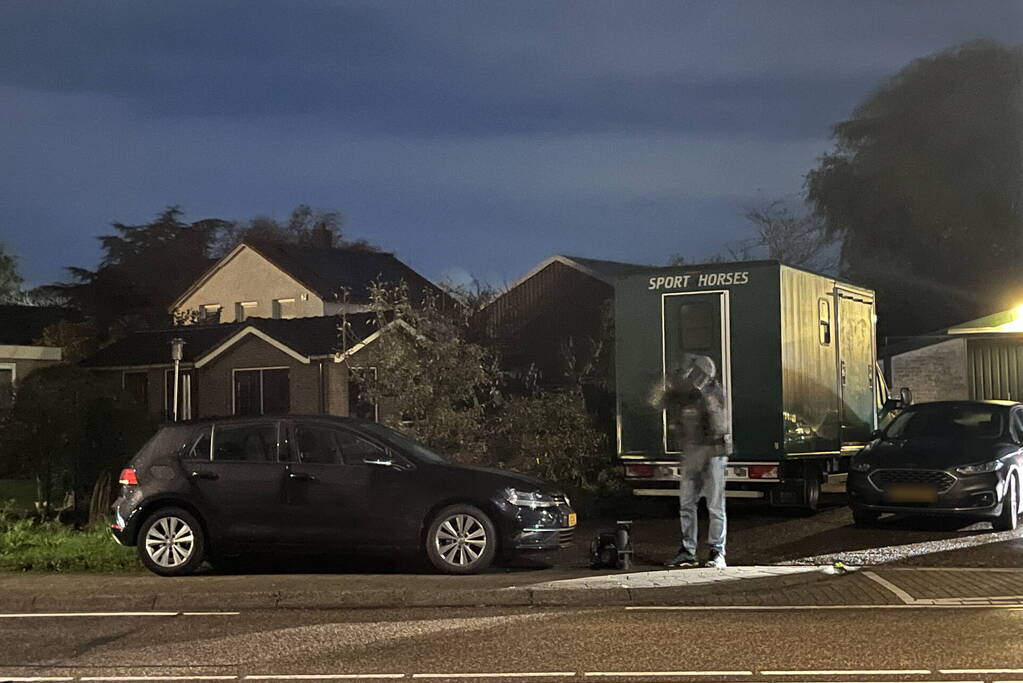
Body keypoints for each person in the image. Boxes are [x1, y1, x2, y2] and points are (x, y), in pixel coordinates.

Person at [651, 353, 731, 569]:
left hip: (713, 452)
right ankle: (688, 551)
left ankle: (717, 552)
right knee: (686, 504)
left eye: (693, 373)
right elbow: (655, 402)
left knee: (715, 505)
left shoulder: (715, 392)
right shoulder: (683, 393)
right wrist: (666, 382)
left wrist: (703, 393)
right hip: (691, 452)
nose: (688, 377)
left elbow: (717, 424)